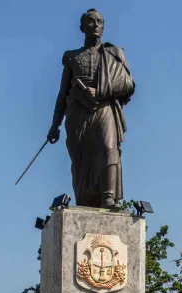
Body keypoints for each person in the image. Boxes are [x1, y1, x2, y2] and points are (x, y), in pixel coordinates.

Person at [46, 8, 135, 208]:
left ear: (103, 28)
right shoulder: (71, 57)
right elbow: (62, 93)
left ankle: (108, 197)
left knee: (108, 147)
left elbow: (129, 85)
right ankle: (84, 198)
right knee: (79, 158)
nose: (95, 25)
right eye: (90, 21)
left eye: (99, 22)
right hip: (77, 112)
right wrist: (55, 124)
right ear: (82, 27)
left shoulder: (115, 54)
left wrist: (101, 91)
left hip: (104, 107)